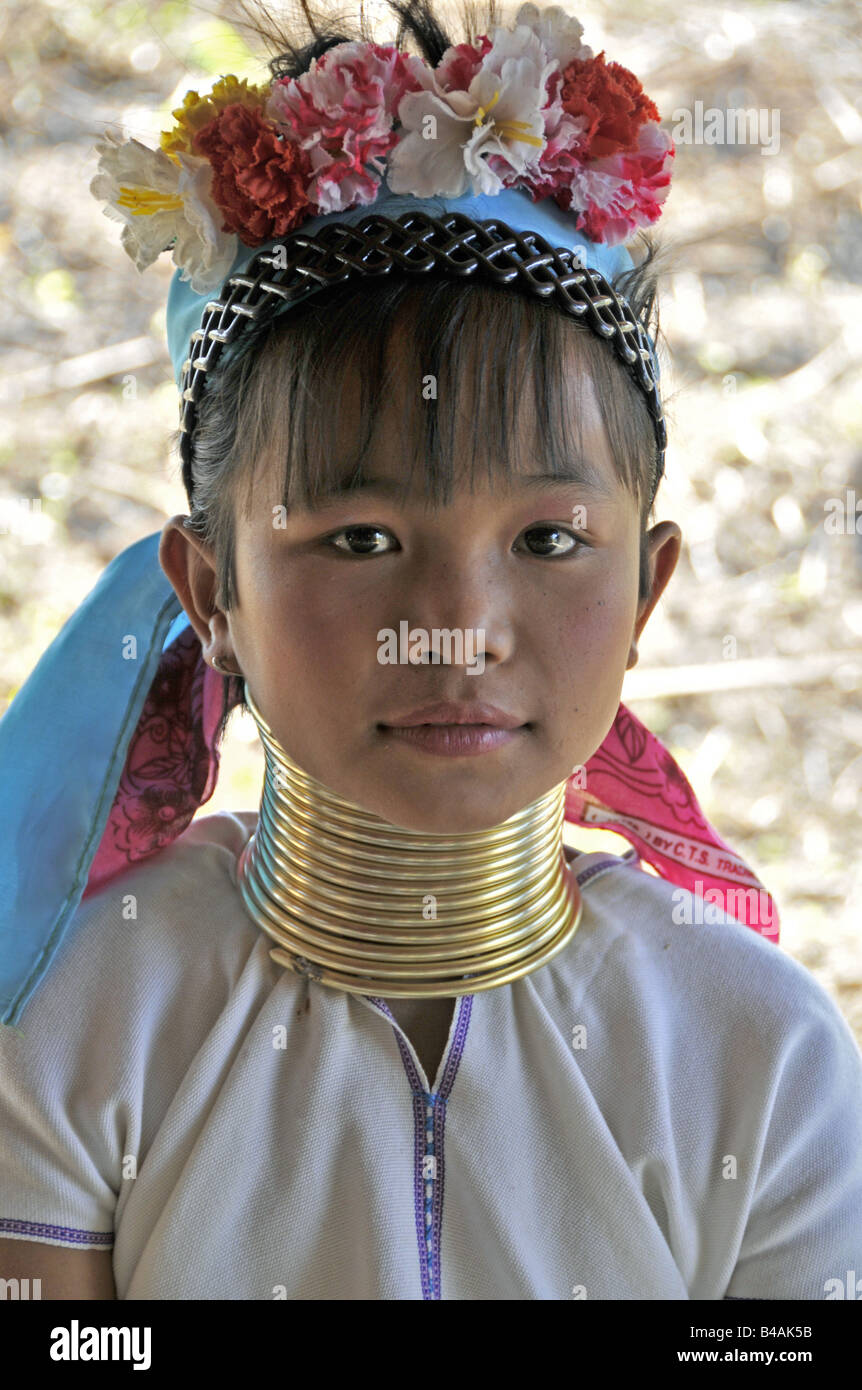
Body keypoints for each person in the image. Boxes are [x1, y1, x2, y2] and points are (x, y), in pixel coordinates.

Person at [0, 0, 860, 1301]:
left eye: (546, 539)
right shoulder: (87, 1018)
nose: (456, 622)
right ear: (211, 590)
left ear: (646, 590)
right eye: (356, 540)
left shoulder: (756, 1056)